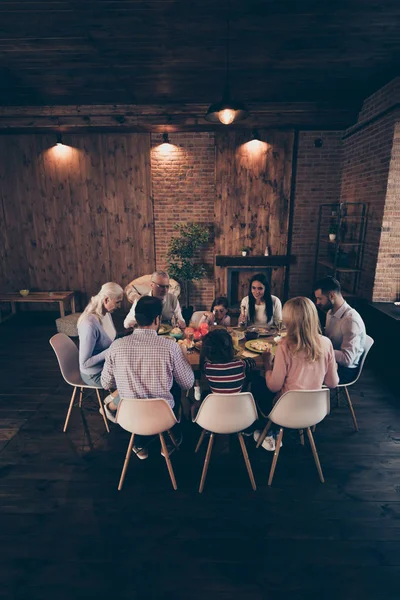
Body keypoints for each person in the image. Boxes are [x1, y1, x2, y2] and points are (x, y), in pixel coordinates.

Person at [101, 296, 194, 459]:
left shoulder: (116, 346)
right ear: (157, 319)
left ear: (136, 319)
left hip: (129, 418)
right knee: (175, 387)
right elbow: (187, 384)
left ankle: (139, 443)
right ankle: (169, 438)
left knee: (131, 390)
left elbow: (106, 382)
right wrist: (184, 357)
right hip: (163, 417)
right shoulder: (170, 347)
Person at [255, 297, 339, 451]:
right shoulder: (326, 343)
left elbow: (274, 386)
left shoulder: (285, 346)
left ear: (289, 321)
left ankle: (266, 430)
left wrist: (267, 364)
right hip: (314, 411)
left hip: (286, 411)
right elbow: (333, 383)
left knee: (256, 382)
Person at [78, 282, 123, 408]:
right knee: (132, 381)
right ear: (107, 299)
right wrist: (111, 350)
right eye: (118, 302)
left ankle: (114, 397)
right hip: (94, 374)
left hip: (108, 365)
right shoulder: (89, 324)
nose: (119, 306)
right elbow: (85, 363)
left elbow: (110, 339)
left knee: (136, 372)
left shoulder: (106, 313)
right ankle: (110, 406)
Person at [314, 276, 366, 384]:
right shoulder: (330, 312)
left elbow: (347, 359)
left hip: (345, 371)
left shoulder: (350, 321)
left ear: (331, 295)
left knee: (301, 372)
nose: (317, 302)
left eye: (320, 298)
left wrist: (319, 349)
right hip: (331, 362)